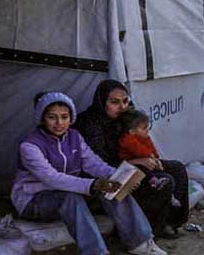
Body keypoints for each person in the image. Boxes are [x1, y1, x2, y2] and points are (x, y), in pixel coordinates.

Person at [11, 91, 168, 255]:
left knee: (112, 186)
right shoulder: (30, 146)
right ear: (42, 119)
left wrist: (121, 178)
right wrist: (93, 184)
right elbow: (51, 178)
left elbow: (94, 164)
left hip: (68, 192)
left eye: (64, 117)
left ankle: (139, 241)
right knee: (70, 197)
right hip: (34, 200)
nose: (59, 123)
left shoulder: (74, 137)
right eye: (52, 117)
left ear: (71, 118)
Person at [76, 80, 189, 238]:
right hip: (105, 175)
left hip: (131, 164)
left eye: (125, 101)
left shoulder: (126, 118)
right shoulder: (89, 123)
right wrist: (138, 162)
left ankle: (172, 222)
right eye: (114, 102)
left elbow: (140, 141)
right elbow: (98, 164)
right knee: (163, 181)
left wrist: (150, 158)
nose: (122, 107)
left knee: (177, 168)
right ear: (101, 102)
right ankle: (151, 229)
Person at [117, 109, 182, 212]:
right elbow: (139, 150)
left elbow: (151, 148)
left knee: (172, 168)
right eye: (143, 128)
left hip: (143, 160)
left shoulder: (144, 137)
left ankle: (173, 200)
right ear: (132, 131)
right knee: (147, 170)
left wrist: (156, 159)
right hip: (130, 164)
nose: (147, 130)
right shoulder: (127, 139)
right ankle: (155, 182)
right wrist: (150, 157)